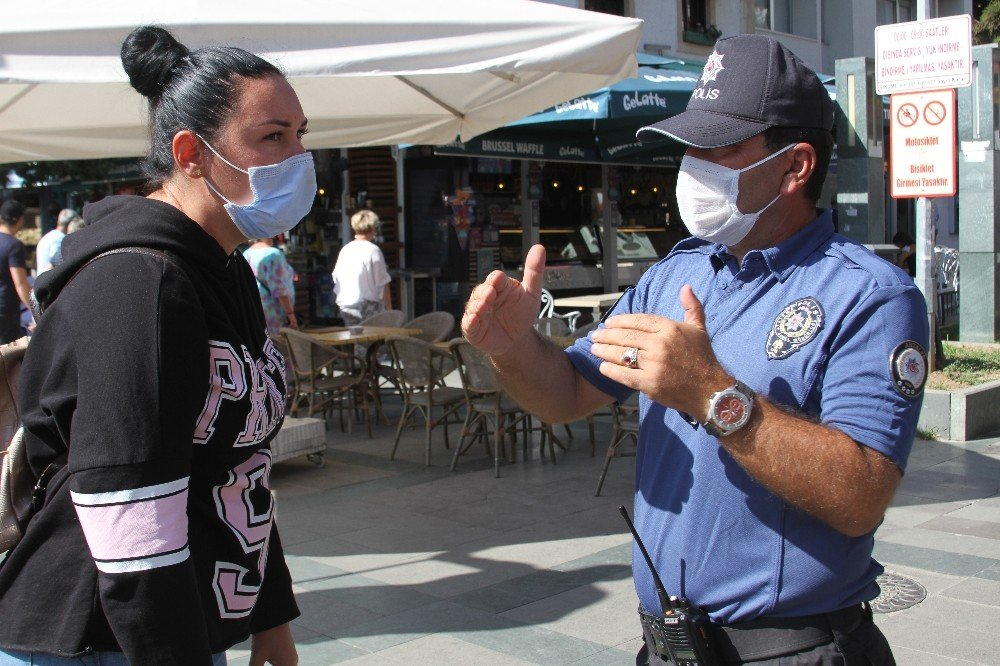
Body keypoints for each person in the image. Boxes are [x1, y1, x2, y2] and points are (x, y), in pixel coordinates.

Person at [463, 34, 927, 665]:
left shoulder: (869, 295)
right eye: (692, 144)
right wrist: (515, 348)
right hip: (669, 647)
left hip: (793, 650)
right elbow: (570, 392)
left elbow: (861, 498)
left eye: (722, 146)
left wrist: (712, 395)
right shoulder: (675, 274)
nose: (694, 162)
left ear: (796, 167)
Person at [0, 24, 315, 665]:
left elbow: (241, 466)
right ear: (191, 153)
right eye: (272, 137)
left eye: (301, 134)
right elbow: (129, 518)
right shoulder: (137, 282)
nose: (298, 158)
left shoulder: (225, 271)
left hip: (187, 626)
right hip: (95, 638)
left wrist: (272, 623)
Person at [332, 209, 392, 325]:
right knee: (374, 340)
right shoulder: (373, 250)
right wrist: (389, 311)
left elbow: (336, 278)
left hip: (346, 305)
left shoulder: (346, 250)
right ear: (373, 228)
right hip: (368, 305)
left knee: (354, 339)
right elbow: (382, 283)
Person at [244, 236, 298, 336]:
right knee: (277, 345)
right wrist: (291, 315)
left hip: (253, 308)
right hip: (273, 312)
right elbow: (280, 290)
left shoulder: (246, 254)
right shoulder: (274, 254)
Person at [0, 200, 33, 343]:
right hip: (6, 309)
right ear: (20, 220)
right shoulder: (14, 246)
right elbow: (20, 284)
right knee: (8, 359)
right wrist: (34, 310)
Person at [34, 208, 80, 275]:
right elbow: (55, 264)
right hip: (49, 281)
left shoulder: (49, 236)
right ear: (71, 224)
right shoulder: (61, 239)